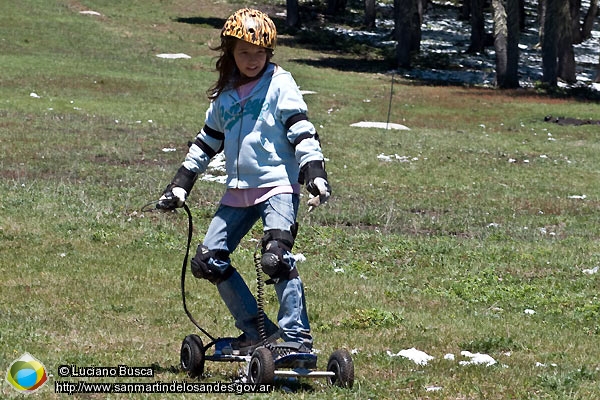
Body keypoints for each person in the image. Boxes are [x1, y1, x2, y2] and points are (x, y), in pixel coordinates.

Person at [158, 8, 331, 356]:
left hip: (278, 185)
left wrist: (314, 172)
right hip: (238, 190)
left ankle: (297, 339)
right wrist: (180, 184)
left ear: (269, 52)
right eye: (243, 53)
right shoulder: (225, 96)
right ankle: (258, 333)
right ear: (230, 53)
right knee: (208, 260)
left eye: (259, 53)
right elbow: (206, 142)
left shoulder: (280, 84)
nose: (252, 60)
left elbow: (302, 129)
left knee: (276, 258)